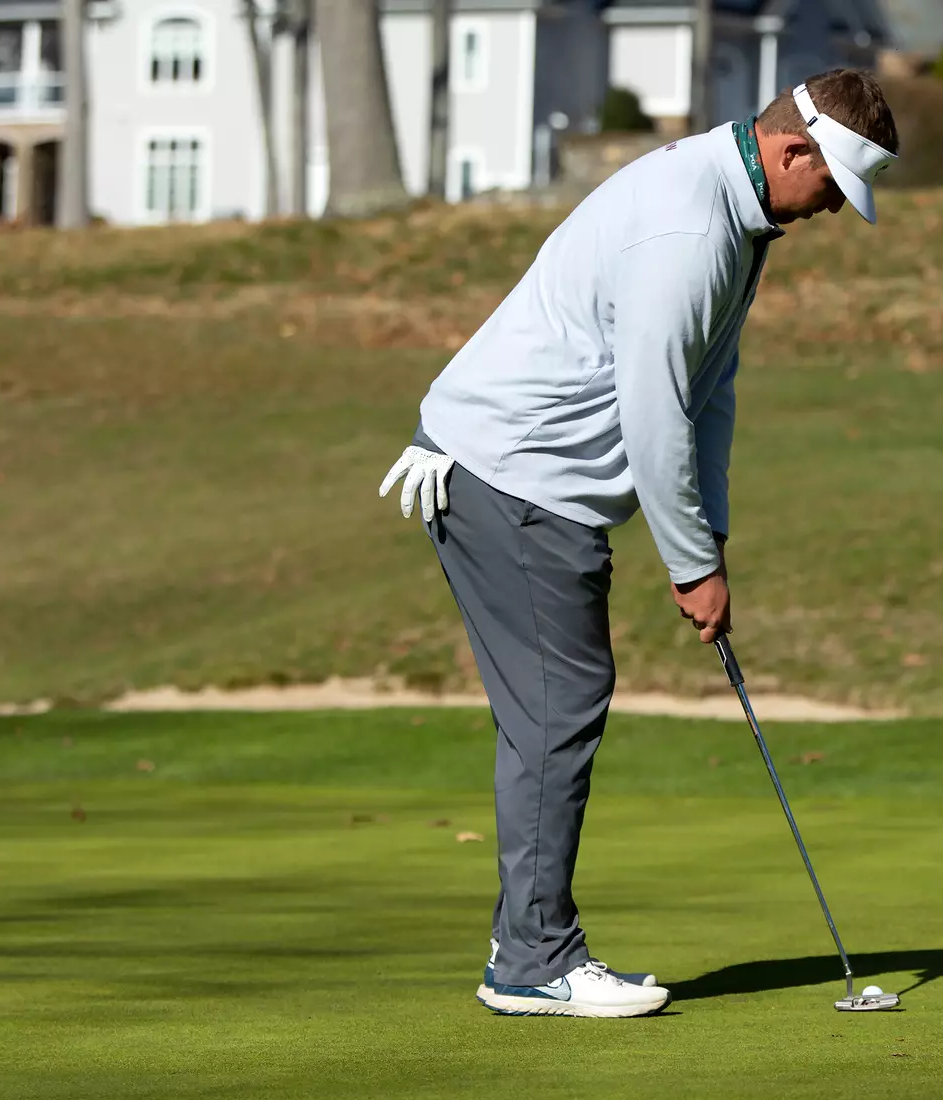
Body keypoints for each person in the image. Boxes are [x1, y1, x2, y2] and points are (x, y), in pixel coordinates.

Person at [377, 69, 899, 1019]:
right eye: (828, 186)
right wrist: (690, 563)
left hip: (522, 475)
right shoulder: (691, 230)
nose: (828, 209)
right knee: (559, 705)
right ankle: (533, 961)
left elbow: (712, 389)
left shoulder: (734, 211)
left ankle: (523, 944)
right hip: (515, 477)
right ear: (793, 151)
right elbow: (651, 406)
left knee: (553, 706)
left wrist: (715, 534)